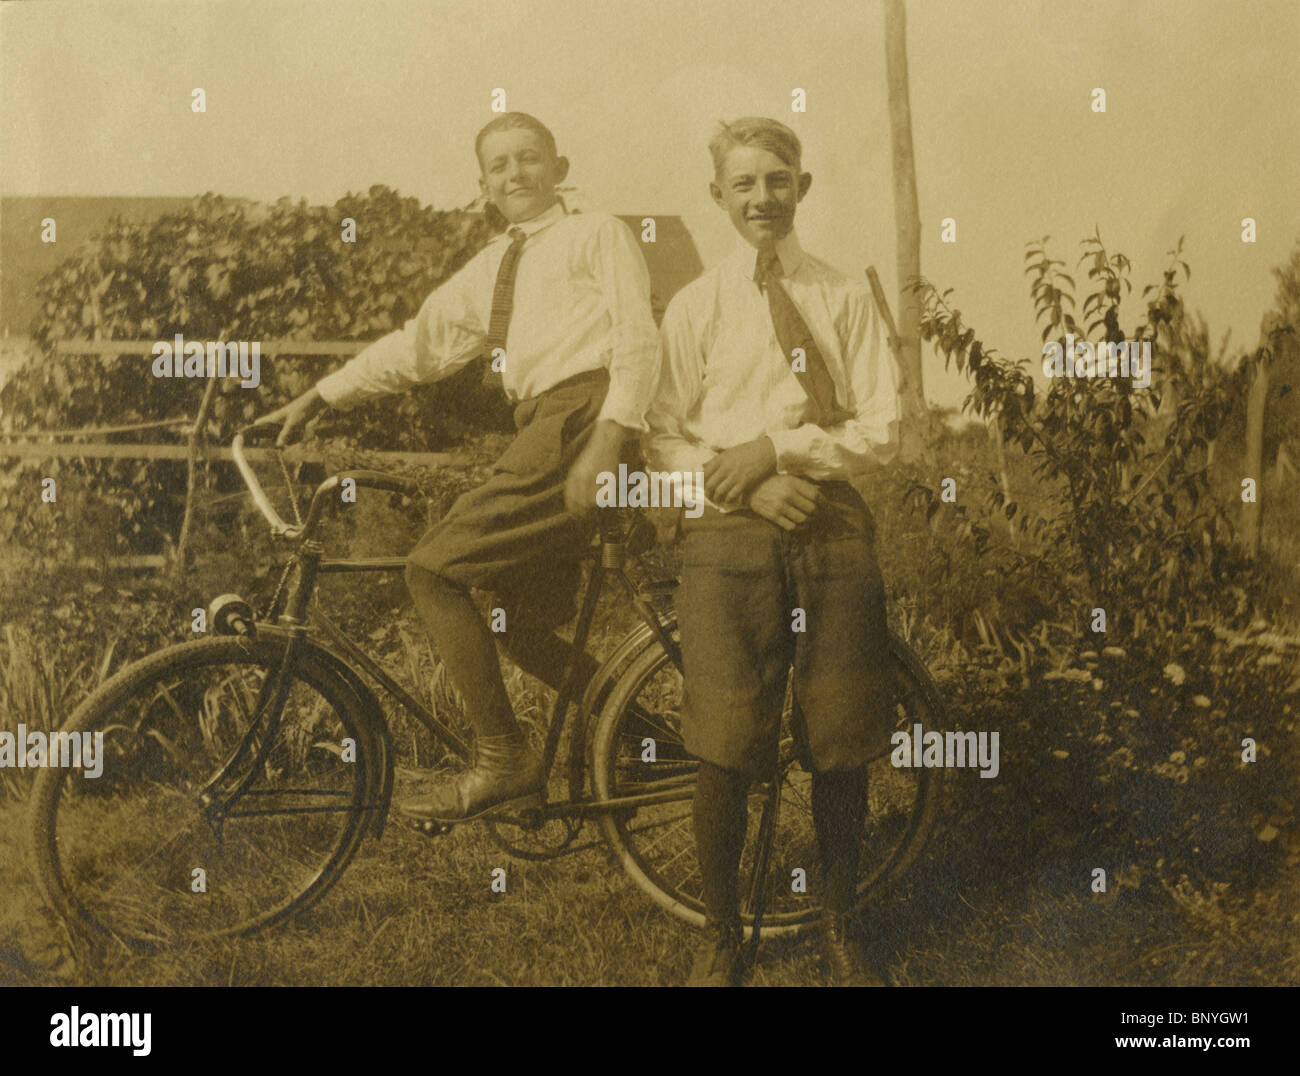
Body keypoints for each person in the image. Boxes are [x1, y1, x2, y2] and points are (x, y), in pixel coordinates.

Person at [257, 112, 660, 822]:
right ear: (484, 186)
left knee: (432, 568)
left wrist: (606, 442)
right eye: (499, 165)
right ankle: (650, 742)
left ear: (559, 167)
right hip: (543, 426)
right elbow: (419, 346)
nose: (515, 174)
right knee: (512, 619)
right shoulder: (493, 265)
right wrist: (323, 395)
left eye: (529, 158)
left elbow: (638, 339)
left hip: (584, 418)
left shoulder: (597, 233)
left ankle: (505, 760)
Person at [645, 117, 901, 986]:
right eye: (744, 184)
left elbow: (882, 430)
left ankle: (841, 920)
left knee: (839, 734)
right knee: (722, 738)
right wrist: (745, 478)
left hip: (829, 524)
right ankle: (722, 934)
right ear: (718, 196)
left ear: (803, 187)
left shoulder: (843, 296)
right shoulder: (696, 305)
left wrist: (782, 452)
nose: (763, 198)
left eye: (778, 180)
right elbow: (662, 437)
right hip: (726, 532)